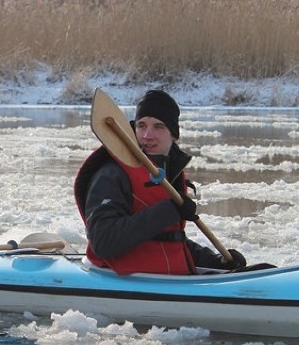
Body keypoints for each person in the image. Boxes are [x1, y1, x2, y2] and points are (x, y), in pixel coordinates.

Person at [74, 89, 246, 274]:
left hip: (166, 278)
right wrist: (169, 210)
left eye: (158, 126)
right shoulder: (111, 174)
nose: (147, 135)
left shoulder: (169, 171)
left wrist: (216, 261)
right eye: (141, 126)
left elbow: (166, 239)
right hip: (126, 278)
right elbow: (103, 241)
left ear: (173, 134)